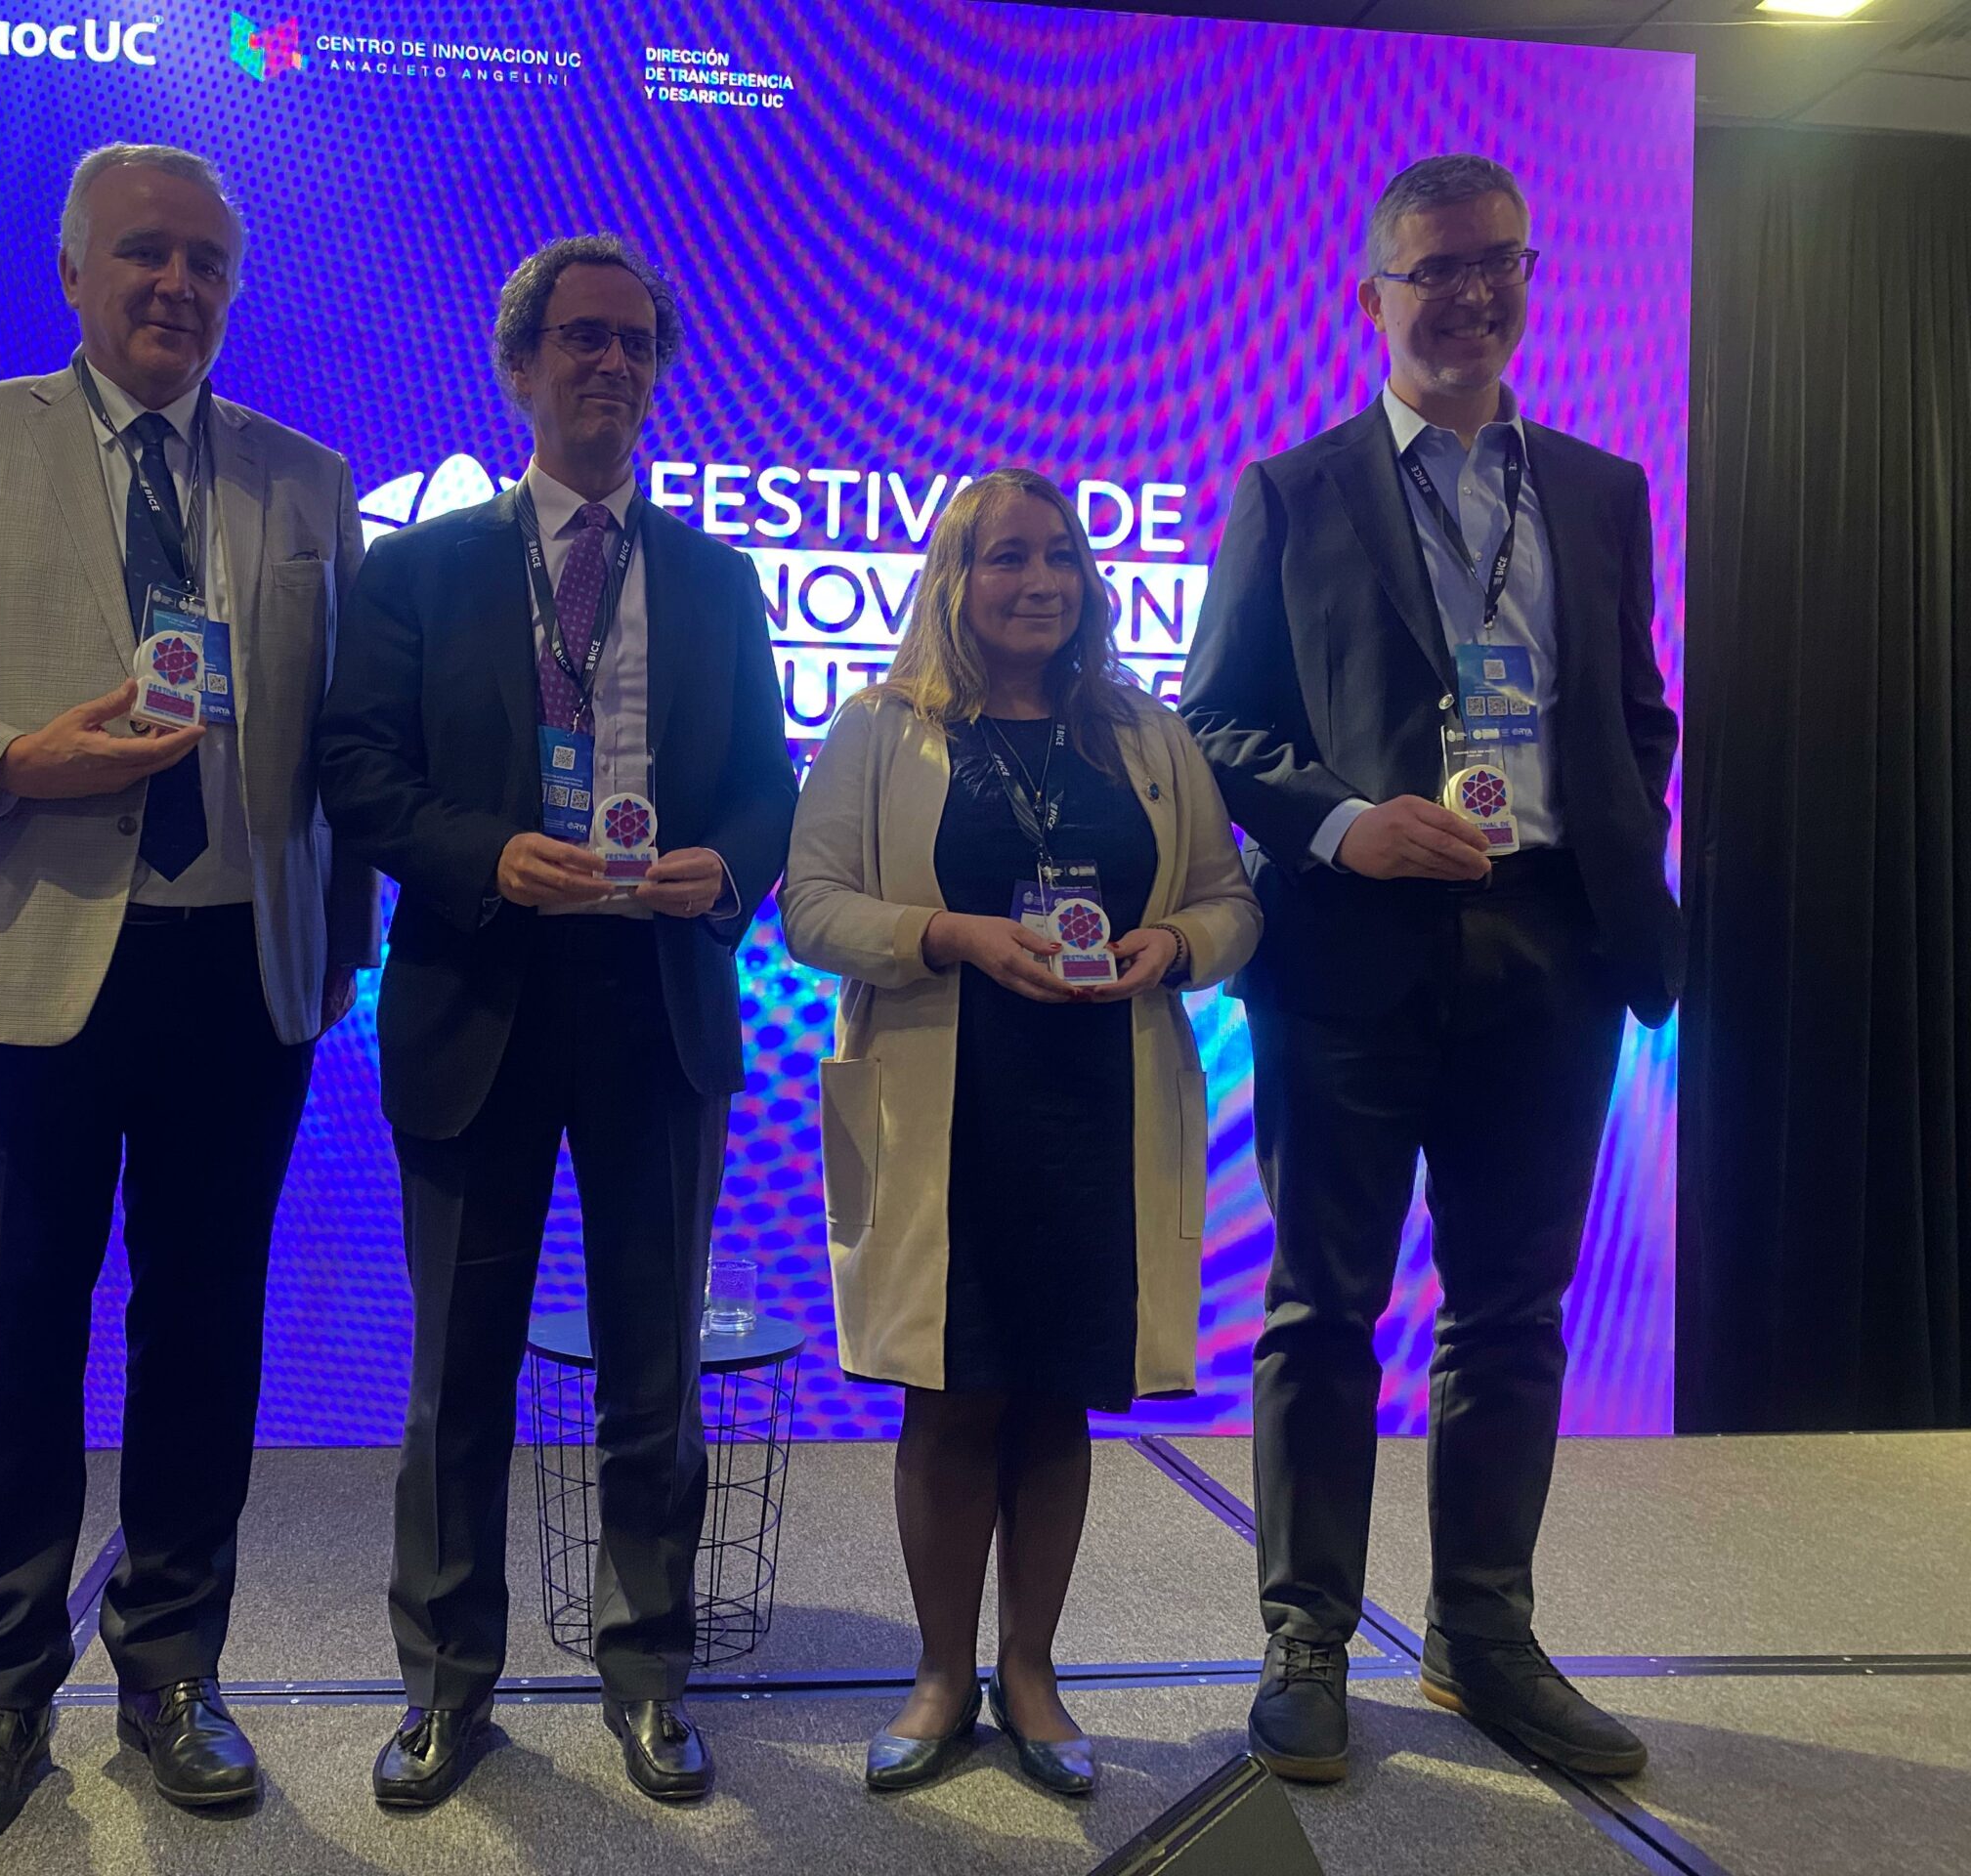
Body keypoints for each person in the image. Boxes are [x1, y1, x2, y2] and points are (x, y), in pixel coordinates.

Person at [0, 143, 375, 1853]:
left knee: (205, 1338)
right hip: (18, 972)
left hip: (237, 974)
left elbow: (340, 740)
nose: (175, 285)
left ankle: (175, 1671)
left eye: (205, 261)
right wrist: (8, 758)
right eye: (142, 253)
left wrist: (337, 947)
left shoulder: (305, 479)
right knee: (20, 1342)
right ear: (72, 271)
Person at [1179, 154, 1685, 1785]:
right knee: (1323, 1308)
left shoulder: (1601, 491)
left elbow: (1638, 714)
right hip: (1352, 950)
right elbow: (1215, 723)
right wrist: (1347, 826)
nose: (1471, 295)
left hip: (1552, 951)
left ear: (1529, 279)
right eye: (1436, 269)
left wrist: (1597, 852)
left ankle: (1484, 1635)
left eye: (1498, 264)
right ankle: (1307, 1641)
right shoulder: (1293, 491)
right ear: (1373, 297)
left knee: (1513, 1312)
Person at [318, 235, 796, 1809]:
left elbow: (767, 788)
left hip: (656, 1008)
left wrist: (727, 868)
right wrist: (484, 856)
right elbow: (358, 772)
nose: (612, 364)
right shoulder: (421, 569)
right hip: (481, 999)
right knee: (457, 1378)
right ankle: (446, 1687)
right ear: (519, 366)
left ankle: (648, 1675)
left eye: (636, 343)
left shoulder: (718, 579)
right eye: (582, 338)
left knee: (653, 1373)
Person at [780, 469, 1260, 1796]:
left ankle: (1032, 1674)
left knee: (1056, 1395)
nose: (1040, 580)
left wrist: (1175, 945)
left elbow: (1230, 902)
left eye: (1060, 556)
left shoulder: (1147, 734)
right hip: (948, 1101)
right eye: (1007, 558)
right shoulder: (880, 729)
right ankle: (942, 1677)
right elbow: (811, 906)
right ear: (955, 579)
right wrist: (948, 934)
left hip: (1102, 1108)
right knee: (949, 1394)